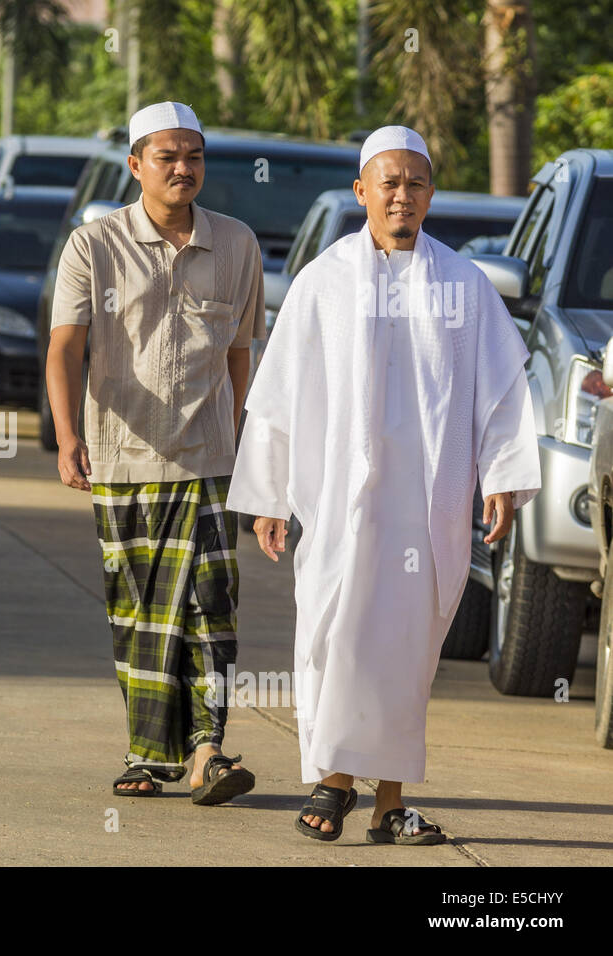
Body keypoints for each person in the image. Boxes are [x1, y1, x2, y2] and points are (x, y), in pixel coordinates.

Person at [227, 126, 541, 845]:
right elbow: (278, 396)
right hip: (342, 502)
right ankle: (334, 779)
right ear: (363, 191)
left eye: (416, 183)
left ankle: (384, 803)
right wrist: (271, 496)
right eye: (388, 183)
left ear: (431, 194)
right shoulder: (322, 283)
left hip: (425, 505)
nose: (402, 195)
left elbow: (501, 395)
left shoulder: (465, 287)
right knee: (337, 632)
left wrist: (500, 478)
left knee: (406, 652)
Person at [46, 102, 264, 803]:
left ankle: (207, 752)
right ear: (135, 164)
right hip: (123, 461)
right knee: (139, 615)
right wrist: (67, 435)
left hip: (209, 461)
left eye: (193, 155)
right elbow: (65, 346)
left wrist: (246, 444)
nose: (182, 168)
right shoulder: (93, 245)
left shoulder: (237, 245)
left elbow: (240, 354)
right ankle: (148, 757)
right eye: (167, 156)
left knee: (210, 610)